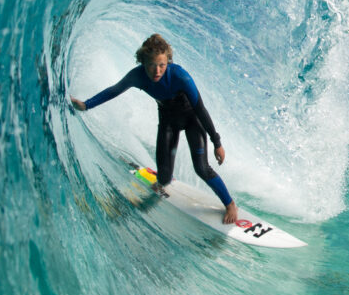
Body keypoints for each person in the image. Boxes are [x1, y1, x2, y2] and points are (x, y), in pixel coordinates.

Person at [70, 33, 239, 224]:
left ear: (168, 62)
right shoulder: (137, 76)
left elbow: (200, 109)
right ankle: (164, 181)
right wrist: (86, 105)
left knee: (201, 168)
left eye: (162, 65)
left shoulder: (180, 76)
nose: (157, 71)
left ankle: (230, 204)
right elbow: (113, 91)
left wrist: (217, 142)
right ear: (143, 62)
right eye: (151, 65)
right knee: (164, 178)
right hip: (168, 122)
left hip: (193, 121)